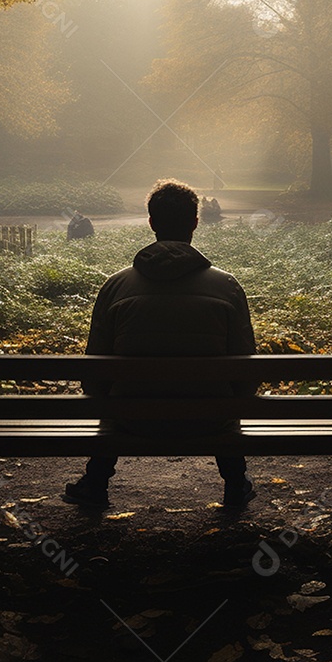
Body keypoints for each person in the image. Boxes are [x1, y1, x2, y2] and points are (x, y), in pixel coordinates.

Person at [63, 178, 257, 510]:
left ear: (151, 222)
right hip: (209, 418)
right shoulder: (227, 287)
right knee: (226, 402)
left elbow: (93, 374)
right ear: (195, 222)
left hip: (131, 418)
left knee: (112, 401)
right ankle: (236, 484)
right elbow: (247, 375)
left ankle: (95, 482)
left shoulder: (115, 286)